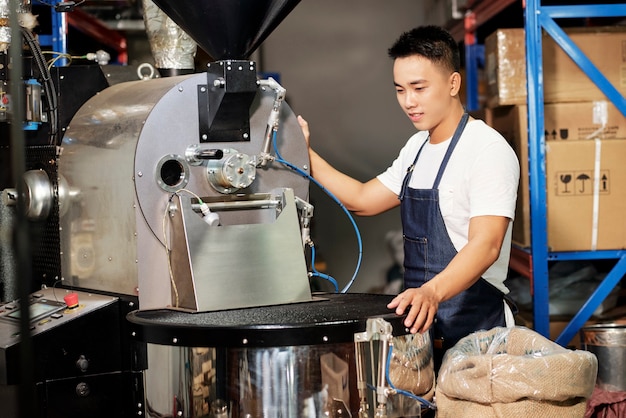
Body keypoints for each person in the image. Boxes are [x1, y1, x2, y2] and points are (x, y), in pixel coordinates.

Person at [298, 25, 519, 366]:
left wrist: (432, 291)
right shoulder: (416, 148)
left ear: (453, 83)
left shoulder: (487, 149)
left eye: (419, 88)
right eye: (400, 90)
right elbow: (361, 199)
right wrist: (303, 152)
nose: (408, 101)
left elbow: (486, 244)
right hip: (422, 329)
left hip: (478, 334)